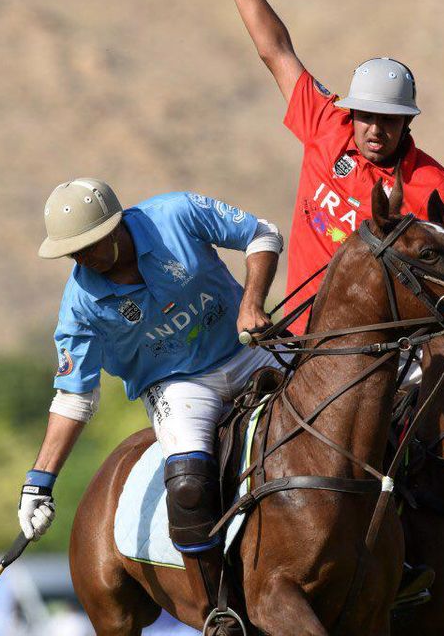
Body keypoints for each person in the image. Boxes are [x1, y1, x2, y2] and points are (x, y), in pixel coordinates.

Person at [18, 178, 282, 633]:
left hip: (247, 347)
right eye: (71, 252)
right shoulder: (79, 306)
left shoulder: (175, 215)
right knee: (188, 486)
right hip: (177, 385)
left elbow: (263, 234)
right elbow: (75, 397)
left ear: (116, 226)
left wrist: (252, 301)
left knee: (347, 403)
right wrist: (39, 482)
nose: (81, 259)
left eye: (88, 245)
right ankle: (221, 610)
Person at [209, 0, 444, 334]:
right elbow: (275, 51)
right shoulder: (325, 125)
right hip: (305, 339)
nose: (376, 130)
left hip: (386, 353)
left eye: (389, 121)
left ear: (407, 124)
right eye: (366, 117)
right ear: (351, 113)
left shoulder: (436, 186)